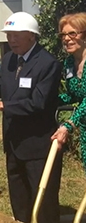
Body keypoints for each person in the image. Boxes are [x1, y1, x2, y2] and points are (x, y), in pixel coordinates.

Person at [0, 12, 62, 223]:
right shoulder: (8, 60)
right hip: (14, 143)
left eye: (17, 35)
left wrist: (0, 106)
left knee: (43, 203)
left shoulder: (47, 63)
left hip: (37, 146)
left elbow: (38, 103)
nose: (11, 40)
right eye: (8, 35)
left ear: (32, 36)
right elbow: (0, 89)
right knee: (19, 199)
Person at [52, 13, 86, 167]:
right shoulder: (69, 63)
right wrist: (48, 100)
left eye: (72, 33)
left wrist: (70, 124)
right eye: (63, 35)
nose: (66, 39)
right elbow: (73, 96)